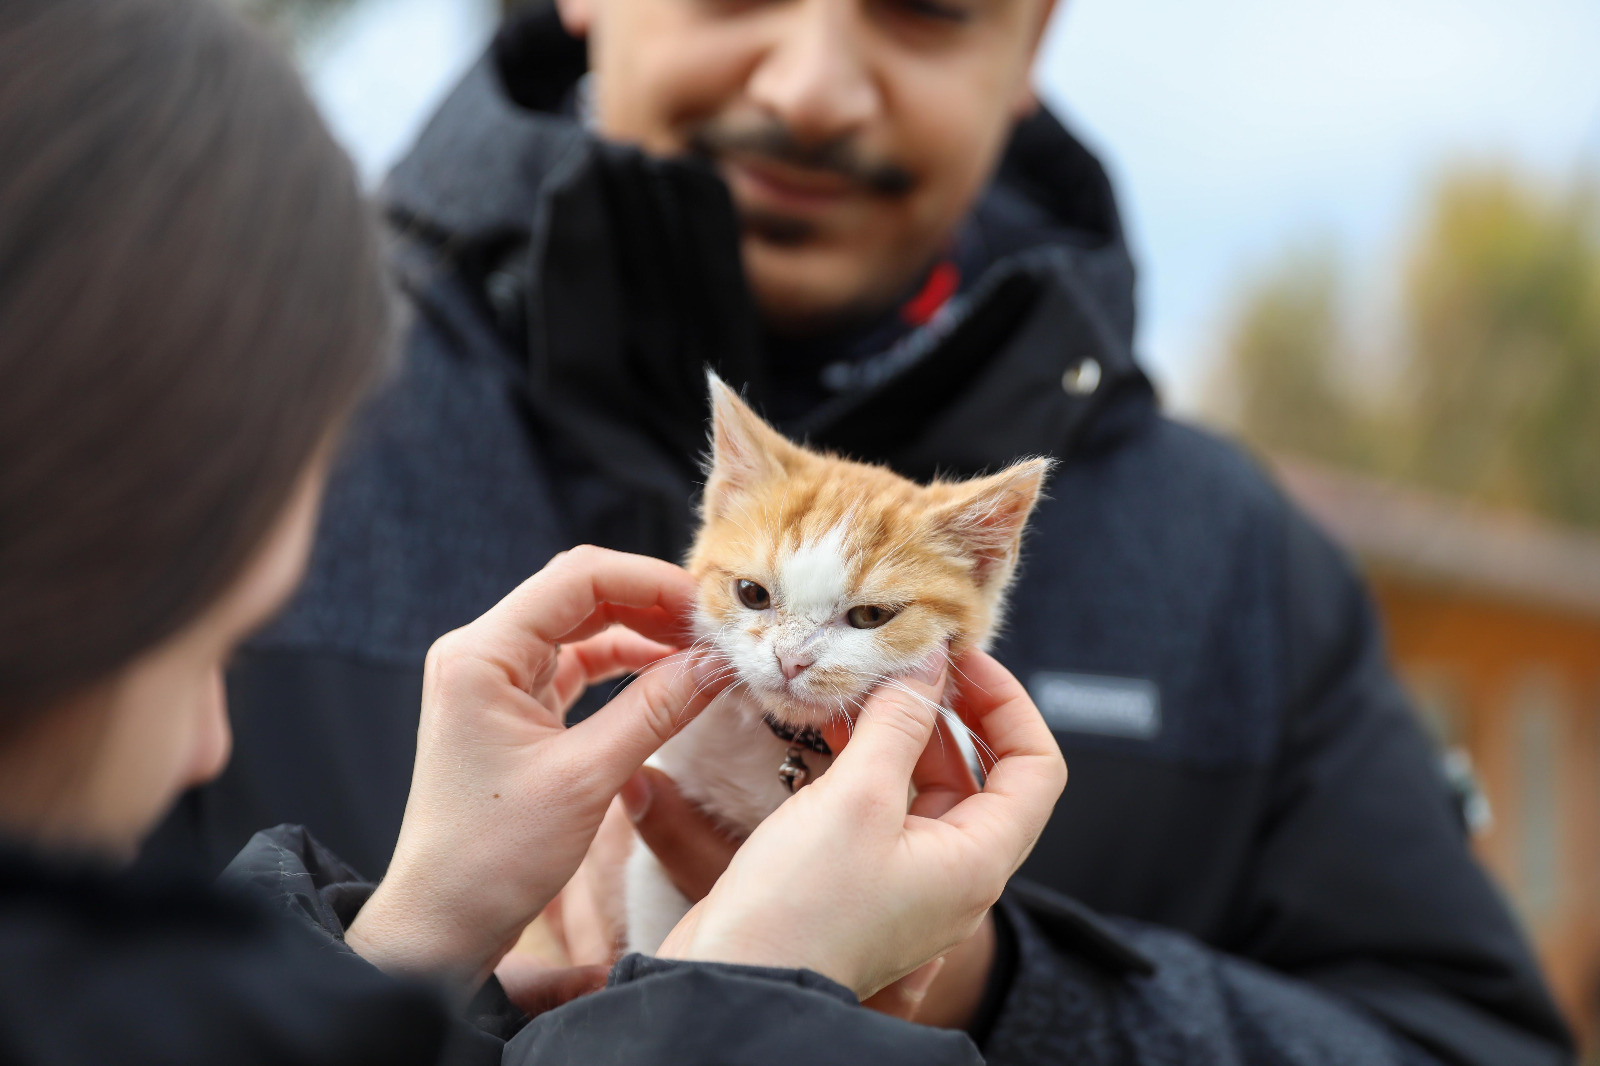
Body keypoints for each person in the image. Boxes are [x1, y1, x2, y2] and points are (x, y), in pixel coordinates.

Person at [145, 0, 1576, 1061]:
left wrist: (989, 985)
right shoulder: (234, 403)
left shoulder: (1238, 563)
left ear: (1033, 44)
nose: (816, 86)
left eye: (926, 6)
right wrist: (396, 956)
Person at [0, 1, 1070, 1061]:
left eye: (925, 9)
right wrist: (736, 1006)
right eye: (201, 646)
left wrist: (409, 942)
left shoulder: (1202, 526)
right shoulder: (327, 342)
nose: (808, 87)